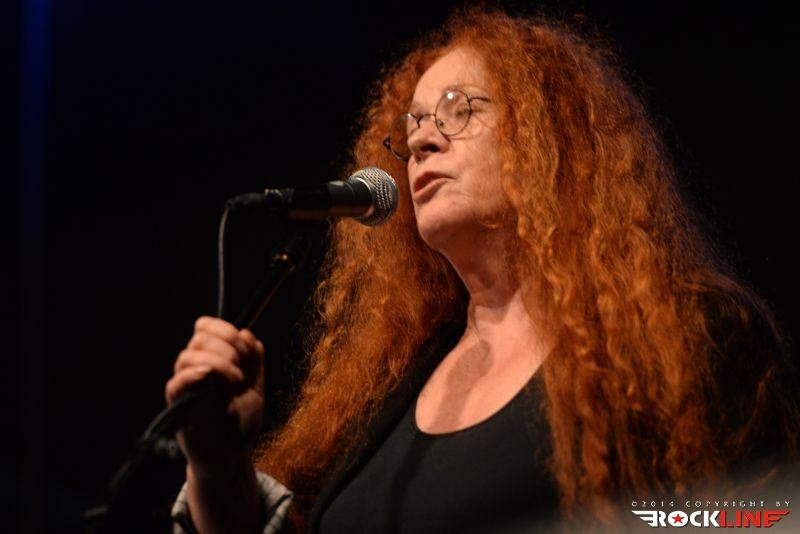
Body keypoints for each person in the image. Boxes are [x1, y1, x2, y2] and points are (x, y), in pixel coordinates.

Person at [166, 7, 800, 533]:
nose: (421, 140)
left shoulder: (677, 334)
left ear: (547, 134)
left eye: (458, 109)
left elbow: (752, 518)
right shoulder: (387, 393)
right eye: (413, 126)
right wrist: (218, 470)